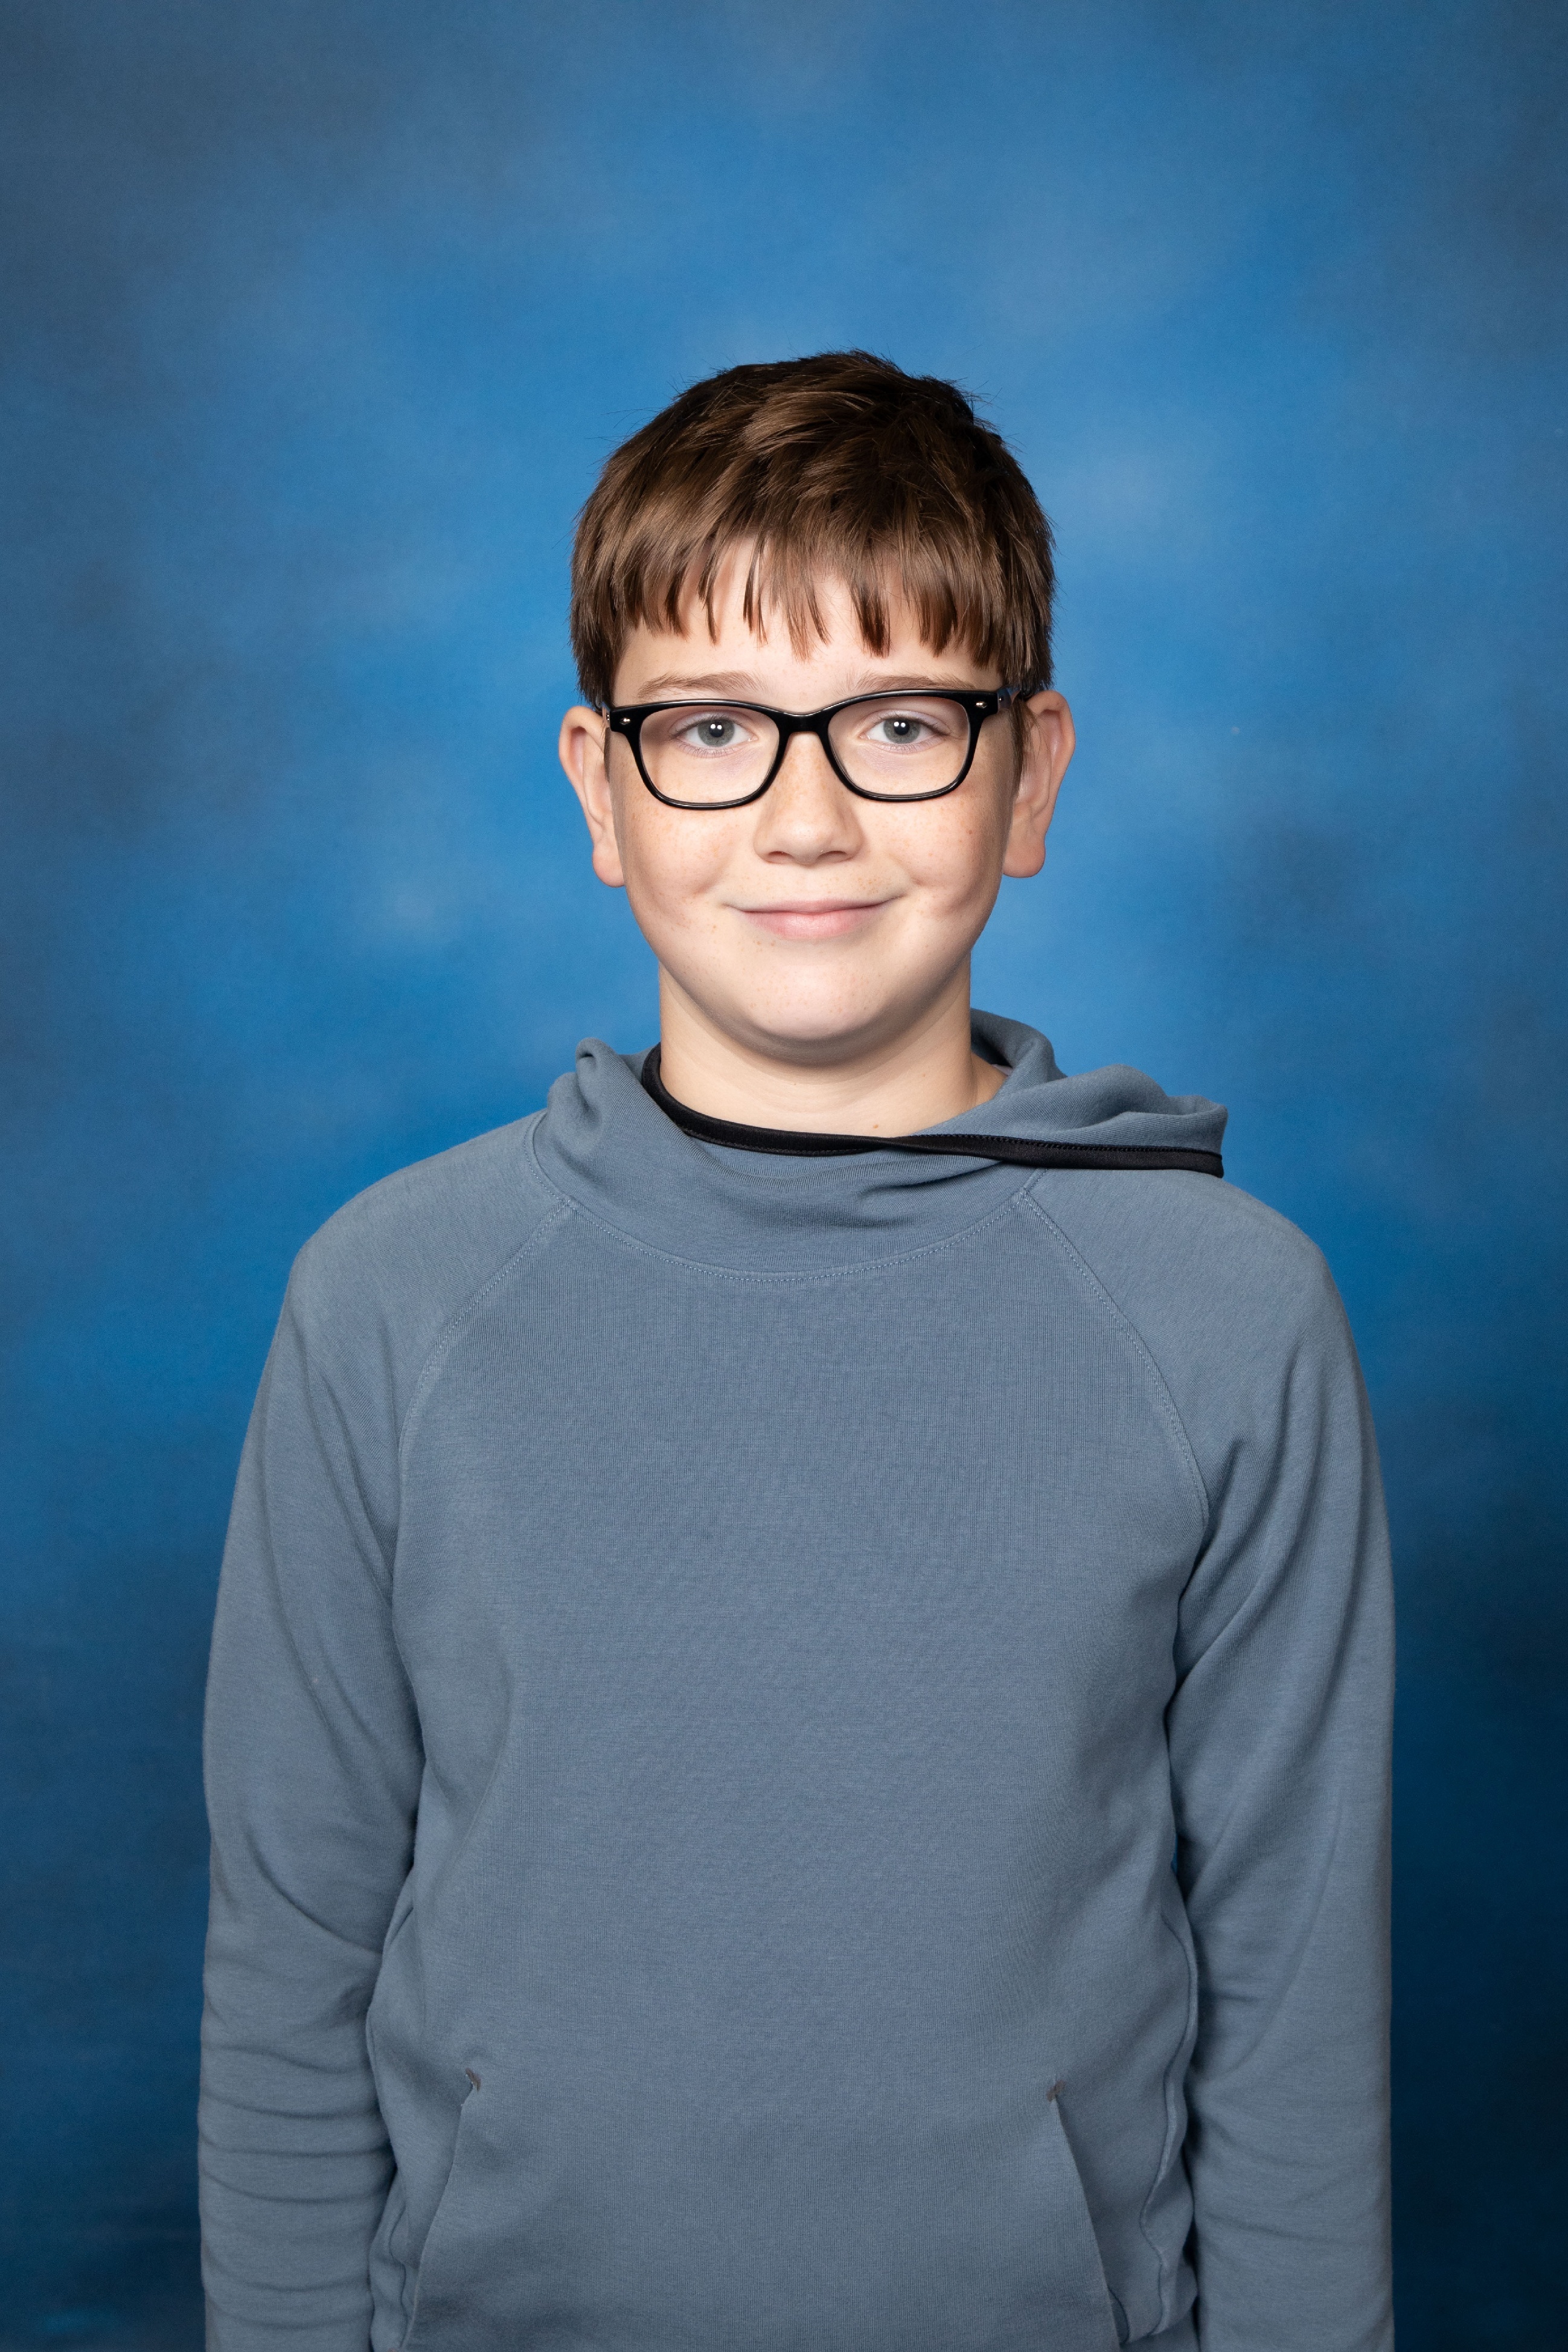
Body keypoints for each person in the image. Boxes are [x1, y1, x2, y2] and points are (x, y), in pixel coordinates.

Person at [199, 353, 1394, 2352]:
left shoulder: (1228, 1317)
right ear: (601, 787)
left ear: (1030, 776)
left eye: (902, 723)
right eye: (713, 730)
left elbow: (1293, 2006)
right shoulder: (388, 1302)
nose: (807, 817)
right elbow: (291, 1966)